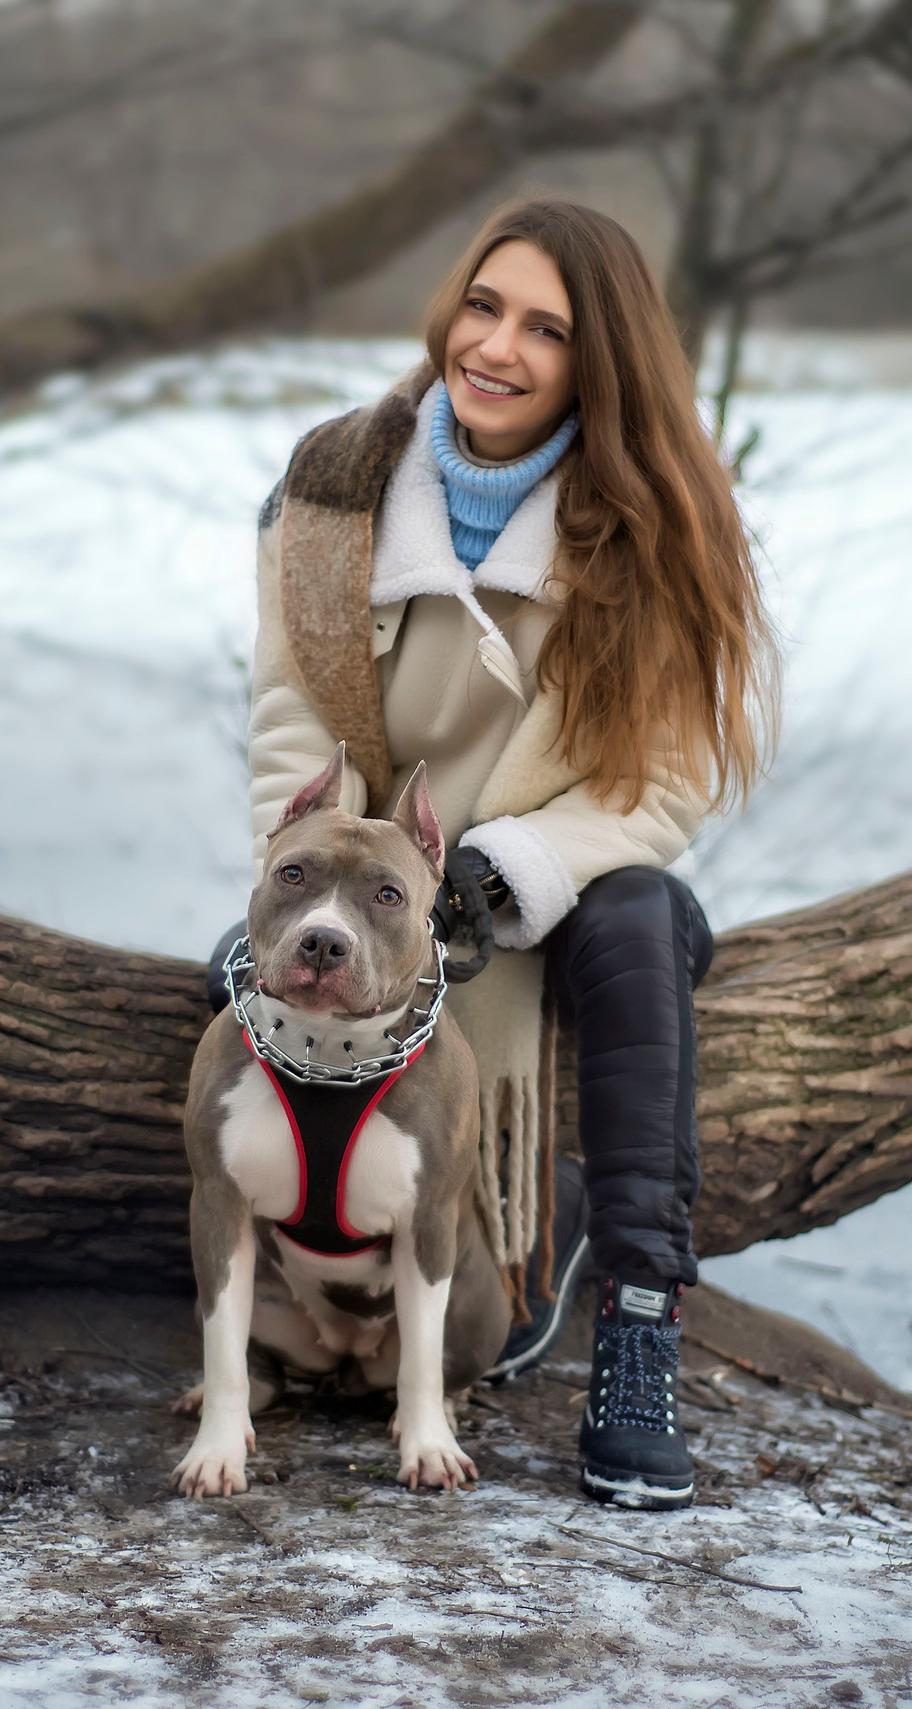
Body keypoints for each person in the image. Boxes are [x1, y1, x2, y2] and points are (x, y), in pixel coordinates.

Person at [218, 198, 775, 1510]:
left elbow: (671, 778)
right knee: (235, 981)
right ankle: (330, 1292)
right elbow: (290, 710)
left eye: (546, 329)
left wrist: (507, 868)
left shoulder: (658, 521)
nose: (496, 347)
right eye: (483, 306)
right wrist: (345, 886)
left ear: (601, 363)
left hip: (559, 889)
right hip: (379, 886)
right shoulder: (335, 487)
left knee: (641, 920)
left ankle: (637, 1325)